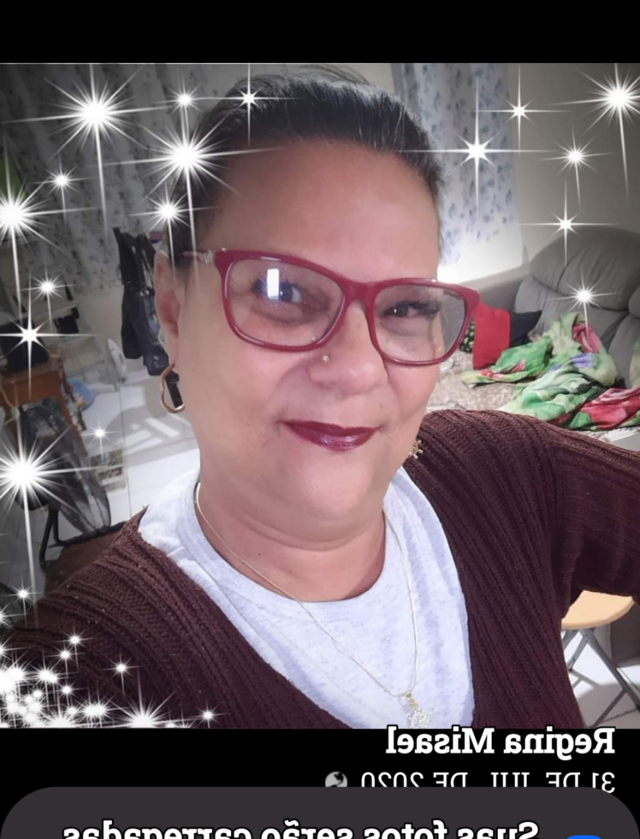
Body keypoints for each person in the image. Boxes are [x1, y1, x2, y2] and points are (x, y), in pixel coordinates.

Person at [6, 65, 640, 730]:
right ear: (172, 307)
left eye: (405, 305)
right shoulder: (74, 682)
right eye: (281, 290)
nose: (360, 369)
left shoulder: (510, 473)